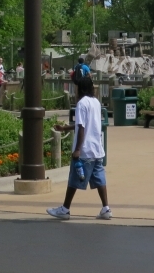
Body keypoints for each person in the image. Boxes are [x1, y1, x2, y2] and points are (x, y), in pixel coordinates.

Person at [47, 74, 111, 220]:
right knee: (100, 180)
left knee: (73, 180)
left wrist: (77, 149)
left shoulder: (82, 104)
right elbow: (86, 125)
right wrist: (65, 129)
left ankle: (65, 209)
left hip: (85, 150)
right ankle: (106, 208)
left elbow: (82, 127)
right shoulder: (96, 102)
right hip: (97, 149)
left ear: (80, 89)